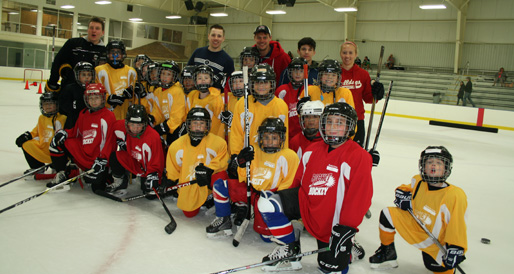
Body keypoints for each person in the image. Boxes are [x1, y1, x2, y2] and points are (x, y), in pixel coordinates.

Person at [258, 102, 373, 272]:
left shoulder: (359, 156)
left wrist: (346, 229)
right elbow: (298, 184)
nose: (333, 127)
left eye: (339, 123)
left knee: (329, 267)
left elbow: (360, 198)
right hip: (309, 207)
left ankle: (350, 249)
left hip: (333, 224)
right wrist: (290, 212)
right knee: (268, 202)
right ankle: (290, 249)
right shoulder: (312, 150)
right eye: (329, 122)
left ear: (350, 127)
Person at [369, 146, 467, 274]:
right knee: (388, 213)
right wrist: (402, 195)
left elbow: (457, 225)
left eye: (439, 163)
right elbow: (405, 189)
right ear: (423, 166)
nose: (434, 166)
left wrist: (456, 247)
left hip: (435, 242)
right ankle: (388, 253)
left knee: (437, 267)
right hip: (416, 227)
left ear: (446, 168)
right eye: (429, 162)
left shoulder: (455, 195)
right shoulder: (419, 181)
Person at [206, 118, 299, 240]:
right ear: (260, 137)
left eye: (274, 138)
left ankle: (284, 224)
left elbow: (290, 183)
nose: (270, 142)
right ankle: (224, 220)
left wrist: (274, 203)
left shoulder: (289, 155)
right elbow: (243, 177)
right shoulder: (253, 150)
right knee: (220, 186)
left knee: (266, 237)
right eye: (266, 137)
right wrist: (241, 163)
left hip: (269, 198)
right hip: (252, 191)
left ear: (281, 138)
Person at [48, 83, 116, 192]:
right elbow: (76, 132)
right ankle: (63, 173)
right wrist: (65, 133)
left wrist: (103, 160)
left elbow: (110, 142)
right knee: (57, 142)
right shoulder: (83, 113)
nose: (93, 101)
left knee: (96, 186)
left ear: (103, 98)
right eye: (91, 98)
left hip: (97, 159)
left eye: (97, 97)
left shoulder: (108, 116)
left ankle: (106, 176)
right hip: (84, 154)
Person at [229, 64, 289, 184]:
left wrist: (283, 157)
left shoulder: (281, 105)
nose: (261, 86)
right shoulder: (242, 103)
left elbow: (284, 137)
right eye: (257, 83)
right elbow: (236, 133)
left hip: (271, 156)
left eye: (265, 83)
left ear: (271, 84)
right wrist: (236, 156)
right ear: (252, 84)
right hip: (249, 158)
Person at [166, 107, 229, 217]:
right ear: (189, 125)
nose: (199, 126)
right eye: (195, 123)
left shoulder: (218, 143)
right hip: (190, 183)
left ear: (207, 125)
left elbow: (223, 163)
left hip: (209, 181)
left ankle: (213, 198)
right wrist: (170, 181)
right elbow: (173, 170)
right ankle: (195, 198)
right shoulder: (176, 146)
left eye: (202, 123)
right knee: (189, 213)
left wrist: (208, 171)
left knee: (221, 177)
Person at [106, 104, 164, 198]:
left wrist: (153, 176)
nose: (135, 129)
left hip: (147, 169)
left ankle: (147, 179)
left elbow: (157, 160)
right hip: (134, 161)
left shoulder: (153, 136)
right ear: (127, 123)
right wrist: (119, 141)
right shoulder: (119, 126)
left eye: (139, 125)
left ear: (145, 124)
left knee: (150, 195)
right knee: (115, 156)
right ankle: (119, 182)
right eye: (132, 125)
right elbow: (110, 134)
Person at [340, 41, 384, 147]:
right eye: (344, 52)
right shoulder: (335, 73)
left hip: (357, 120)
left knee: (356, 155)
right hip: (338, 120)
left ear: (356, 54)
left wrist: (377, 94)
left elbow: (368, 99)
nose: (347, 56)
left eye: (350, 53)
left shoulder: (363, 74)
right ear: (340, 53)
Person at [45, 17, 106, 93]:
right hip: (69, 89)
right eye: (91, 28)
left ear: (102, 32)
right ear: (88, 30)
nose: (94, 31)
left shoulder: (104, 52)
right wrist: (52, 82)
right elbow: (58, 61)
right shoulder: (73, 43)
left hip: (91, 94)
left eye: (97, 28)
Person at [15, 92, 67, 175]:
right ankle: (37, 167)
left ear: (57, 105)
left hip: (56, 152)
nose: (48, 106)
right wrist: (27, 135)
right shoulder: (41, 118)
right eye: (45, 104)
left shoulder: (62, 118)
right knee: (26, 144)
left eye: (51, 104)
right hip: (44, 148)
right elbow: (36, 132)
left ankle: (57, 167)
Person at [96, 40, 146, 120]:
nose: (115, 55)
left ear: (123, 54)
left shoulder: (131, 72)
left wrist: (133, 94)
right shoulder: (99, 71)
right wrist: (107, 98)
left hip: (125, 115)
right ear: (107, 54)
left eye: (118, 52)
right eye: (112, 52)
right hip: (104, 115)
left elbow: (134, 97)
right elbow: (94, 92)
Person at [150, 61, 187, 146]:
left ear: (174, 77)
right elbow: (157, 111)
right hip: (167, 126)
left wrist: (165, 126)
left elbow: (178, 116)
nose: (165, 77)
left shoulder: (177, 91)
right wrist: (152, 118)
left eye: (168, 74)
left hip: (178, 128)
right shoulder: (158, 91)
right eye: (163, 73)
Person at [187, 24, 235, 89]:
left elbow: (229, 84)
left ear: (223, 38)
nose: (216, 38)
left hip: (214, 97)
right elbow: (187, 71)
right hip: (195, 94)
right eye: (213, 35)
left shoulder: (228, 60)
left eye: (219, 36)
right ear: (208, 36)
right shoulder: (197, 52)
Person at [185, 65, 225, 139]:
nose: (203, 80)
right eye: (199, 78)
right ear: (195, 80)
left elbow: (220, 115)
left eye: (206, 78)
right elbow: (188, 117)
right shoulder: (192, 95)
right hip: (195, 137)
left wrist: (215, 93)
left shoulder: (216, 96)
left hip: (213, 139)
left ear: (211, 80)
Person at [275, 57, 309, 140]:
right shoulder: (282, 90)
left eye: (301, 71)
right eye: (295, 71)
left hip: (304, 137)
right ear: (290, 72)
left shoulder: (309, 90)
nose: (298, 74)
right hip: (286, 136)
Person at [59, 61, 95, 129]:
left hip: (90, 121)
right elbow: (63, 105)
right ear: (77, 75)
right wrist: (73, 107)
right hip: (73, 121)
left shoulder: (94, 88)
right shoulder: (70, 88)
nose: (87, 77)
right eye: (83, 75)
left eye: (89, 75)